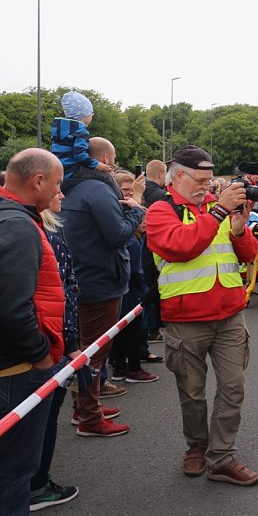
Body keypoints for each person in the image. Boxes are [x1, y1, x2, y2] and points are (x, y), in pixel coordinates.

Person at [145, 145, 258, 486]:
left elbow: (249, 254)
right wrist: (221, 213)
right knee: (192, 392)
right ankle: (197, 445)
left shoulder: (216, 209)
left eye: (211, 181)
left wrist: (240, 230)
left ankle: (222, 457)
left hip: (229, 317)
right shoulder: (160, 211)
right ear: (178, 176)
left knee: (233, 388)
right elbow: (181, 247)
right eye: (201, 180)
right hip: (186, 320)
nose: (208, 187)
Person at [60, 137, 146, 437]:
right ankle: (90, 418)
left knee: (83, 351)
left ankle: (83, 406)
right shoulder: (97, 189)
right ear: (107, 159)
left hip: (79, 279)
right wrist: (136, 210)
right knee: (94, 353)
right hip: (101, 280)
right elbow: (118, 234)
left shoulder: (69, 187)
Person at [0, 149, 65, 514]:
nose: (60, 191)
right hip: (16, 370)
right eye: (56, 183)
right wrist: (40, 354)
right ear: (38, 181)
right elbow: (12, 306)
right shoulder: (18, 226)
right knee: (14, 473)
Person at [30, 193, 81, 512]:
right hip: (48, 347)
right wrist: (72, 347)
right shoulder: (48, 240)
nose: (63, 193)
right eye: (57, 185)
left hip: (32, 345)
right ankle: (37, 484)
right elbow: (65, 300)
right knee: (43, 418)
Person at [107, 171, 159, 384]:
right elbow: (136, 272)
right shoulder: (130, 239)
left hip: (128, 289)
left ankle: (121, 363)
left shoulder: (134, 237)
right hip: (130, 291)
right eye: (125, 190)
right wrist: (146, 290)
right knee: (130, 331)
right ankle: (129, 367)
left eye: (132, 191)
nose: (128, 195)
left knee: (126, 332)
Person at [51, 91, 112, 179]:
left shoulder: (58, 129)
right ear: (86, 115)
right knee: (107, 178)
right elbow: (79, 154)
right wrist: (97, 165)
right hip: (72, 171)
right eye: (91, 114)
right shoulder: (81, 131)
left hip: (59, 169)